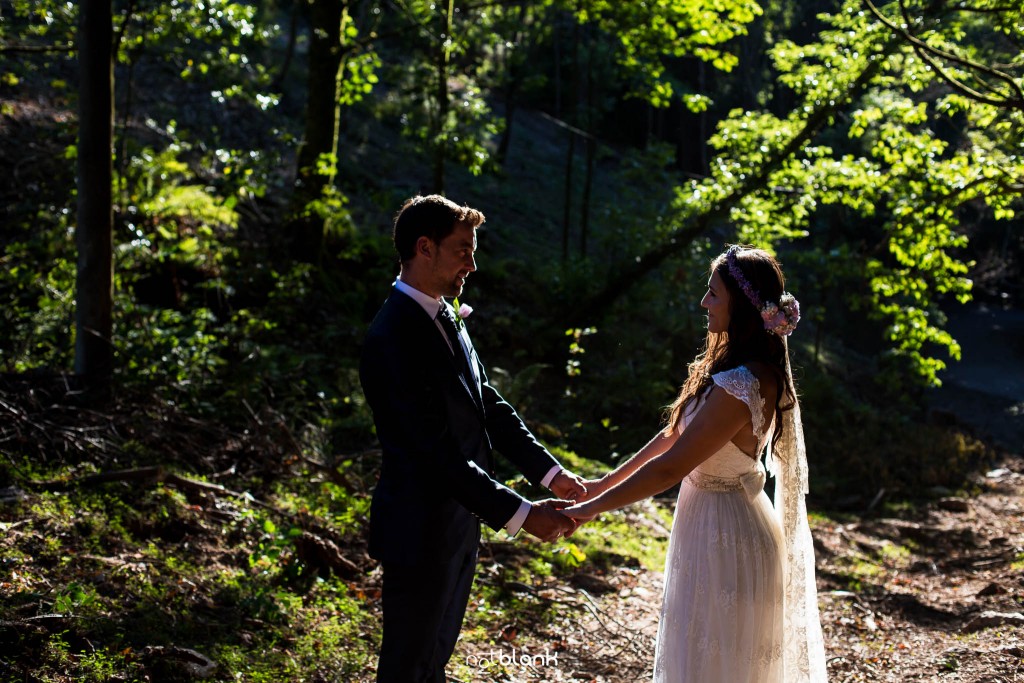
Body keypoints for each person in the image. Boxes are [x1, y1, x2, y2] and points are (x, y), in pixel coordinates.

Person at [565, 245, 827, 682]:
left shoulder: (743, 383)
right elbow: (671, 436)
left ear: (741, 306)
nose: (704, 303)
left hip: (730, 538)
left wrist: (589, 511)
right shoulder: (728, 368)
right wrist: (600, 485)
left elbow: (671, 467)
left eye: (713, 294)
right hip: (705, 526)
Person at [359, 194, 587, 683]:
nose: (473, 263)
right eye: (463, 249)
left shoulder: (446, 316)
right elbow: (435, 454)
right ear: (425, 247)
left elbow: (489, 404)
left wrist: (550, 473)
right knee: (407, 666)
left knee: (433, 660)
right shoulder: (392, 337)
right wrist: (524, 516)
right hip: (419, 530)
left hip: (460, 525)